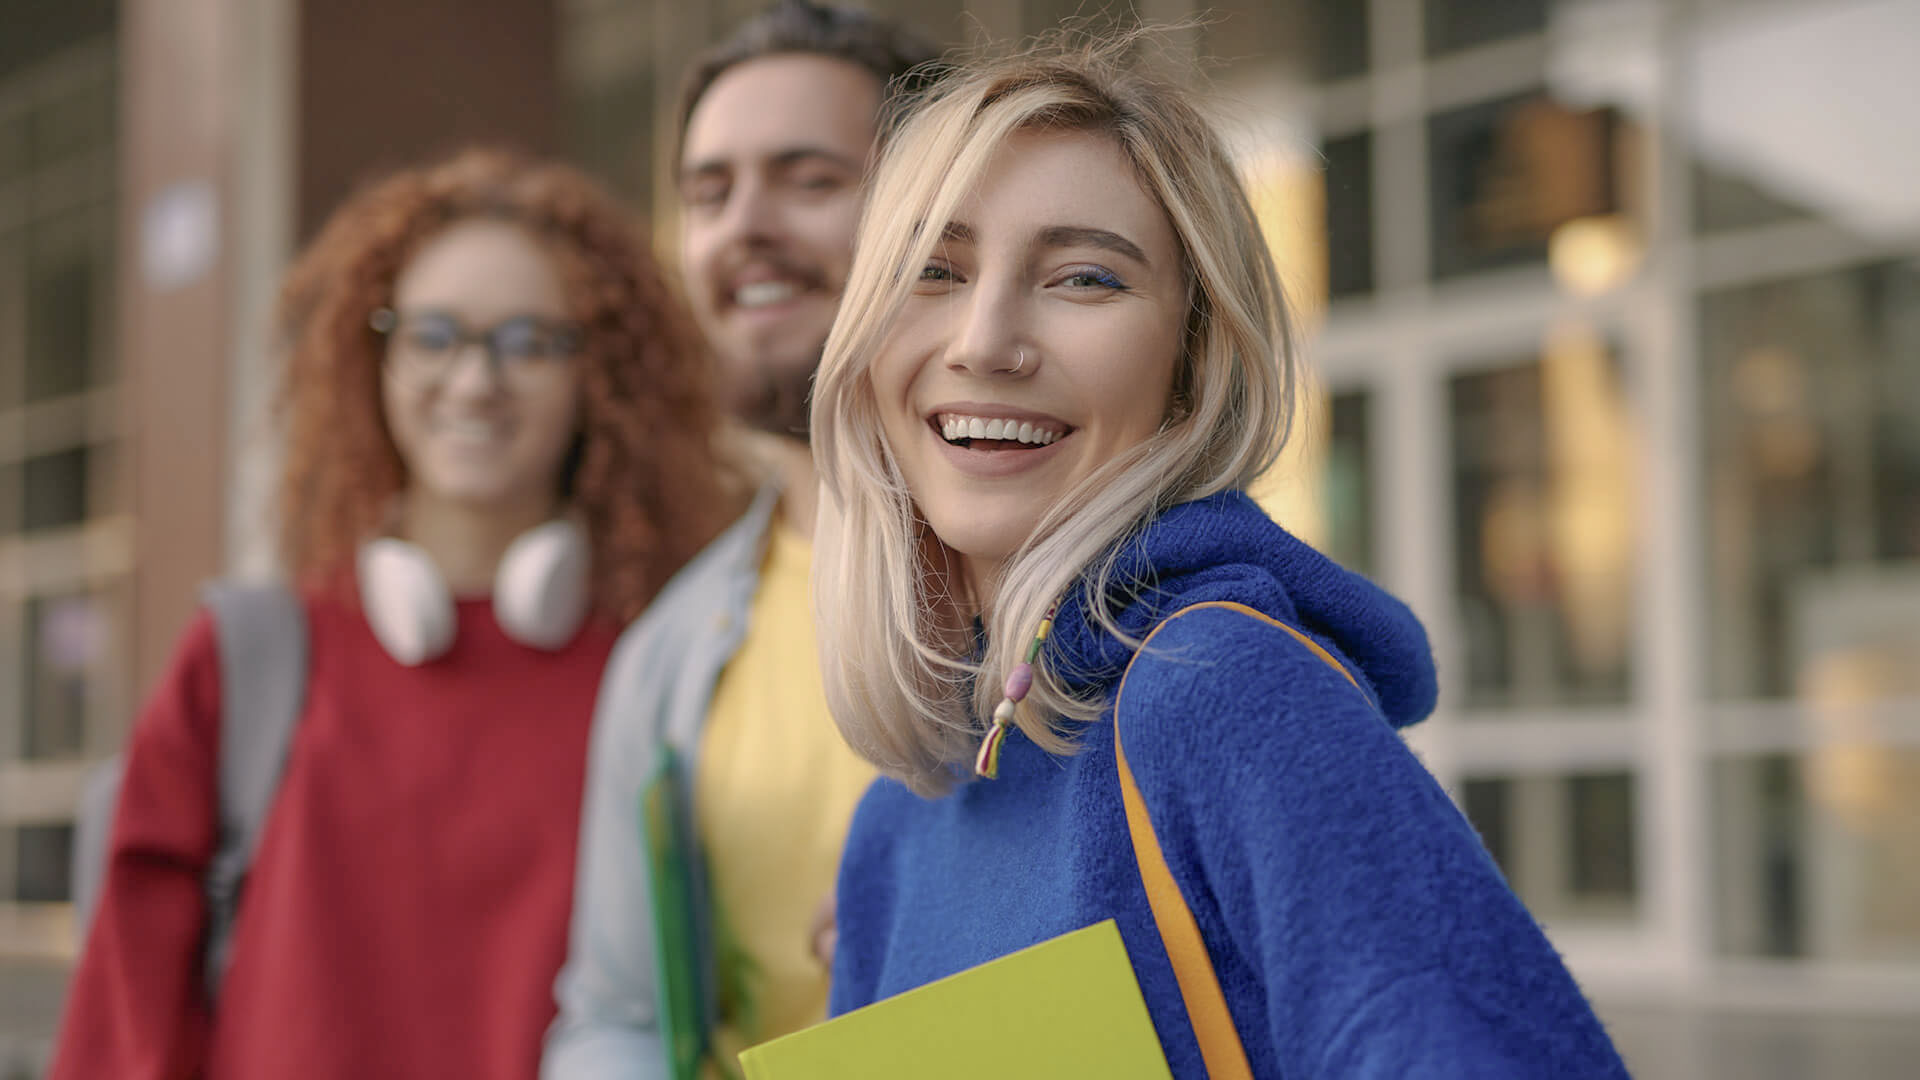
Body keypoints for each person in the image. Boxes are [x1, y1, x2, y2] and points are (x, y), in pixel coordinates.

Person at [809, 38, 1632, 1078]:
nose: (986, 339)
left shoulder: (1217, 693)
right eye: (935, 269)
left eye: (1084, 278)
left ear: (1193, 362)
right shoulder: (898, 820)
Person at [50, 148, 734, 1079]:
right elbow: (122, 1026)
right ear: (373, 355)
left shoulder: (664, 665)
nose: (475, 380)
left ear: (598, 379)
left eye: (531, 341)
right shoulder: (245, 659)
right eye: (433, 335)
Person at [542, 3, 937, 1076]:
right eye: (709, 193)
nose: (746, 226)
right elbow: (614, 1015)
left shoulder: (1069, 593)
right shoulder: (666, 658)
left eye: (809, 180)